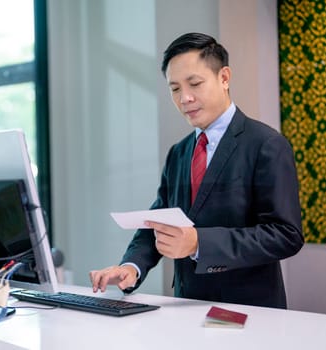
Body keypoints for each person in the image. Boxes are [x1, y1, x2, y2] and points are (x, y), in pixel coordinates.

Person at [89, 32, 304, 309]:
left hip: (248, 310)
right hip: (186, 308)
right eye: (175, 89)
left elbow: (286, 235)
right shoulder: (178, 153)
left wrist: (198, 243)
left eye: (195, 84)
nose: (185, 98)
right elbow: (158, 221)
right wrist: (132, 266)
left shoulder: (267, 144)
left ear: (224, 78)